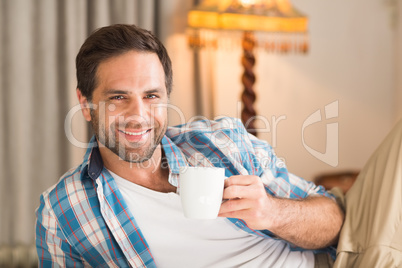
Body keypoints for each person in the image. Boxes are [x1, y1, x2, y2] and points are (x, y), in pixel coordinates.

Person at [35, 24, 401, 268]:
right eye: (118, 97)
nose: (139, 114)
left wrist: (273, 212)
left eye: (152, 95)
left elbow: (337, 221)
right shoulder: (63, 210)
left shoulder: (220, 140)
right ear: (85, 104)